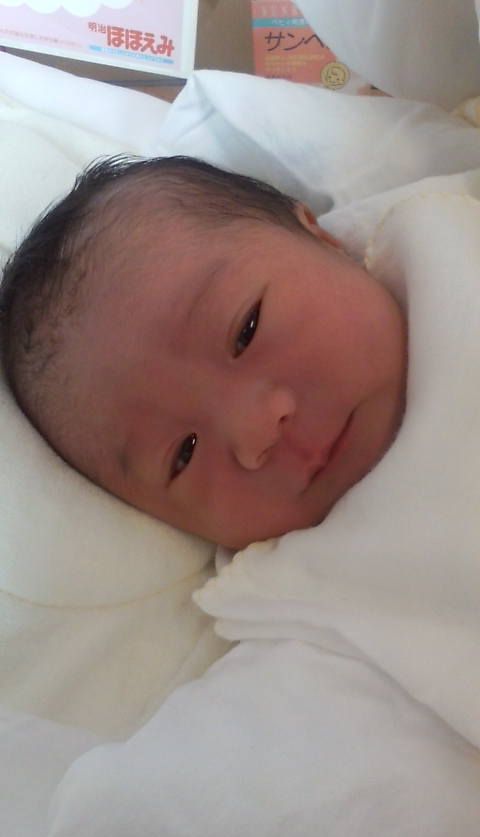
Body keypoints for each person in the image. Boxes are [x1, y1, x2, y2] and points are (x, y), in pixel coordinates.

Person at [0, 155, 406, 547]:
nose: (255, 431)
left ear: (321, 237)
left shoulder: (431, 232)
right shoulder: (289, 582)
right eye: (184, 454)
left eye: (246, 331)